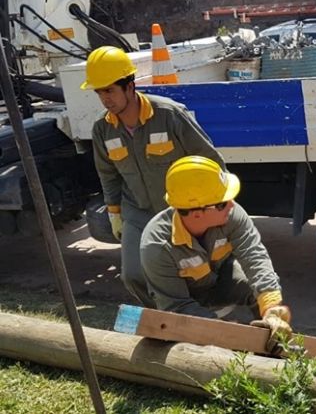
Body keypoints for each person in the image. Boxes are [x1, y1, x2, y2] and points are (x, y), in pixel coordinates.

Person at [82, 46, 225, 308]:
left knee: (197, 273)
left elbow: (210, 159)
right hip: (138, 212)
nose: (105, 99)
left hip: (181, 210)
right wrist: (115, 213)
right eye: (99, 92)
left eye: (110, 90)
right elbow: (108, 174)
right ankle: (163, 321)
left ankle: (199, 317)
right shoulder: (103, 130)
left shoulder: (169, 115)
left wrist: (216, 206)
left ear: (129, 86)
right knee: (133, 275)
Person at [140, 156, 291, 344]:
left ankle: (274, 344)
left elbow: (254, 256)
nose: (232, 205)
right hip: (184, 301)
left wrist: (272, 308)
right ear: (196, 213)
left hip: (219, 282)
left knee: (253, 285)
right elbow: (178, 305)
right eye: (221, 203)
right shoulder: (156, 246)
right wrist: (226, 334)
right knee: (188, 337)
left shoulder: (232, 214)